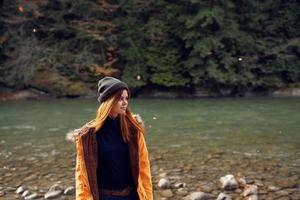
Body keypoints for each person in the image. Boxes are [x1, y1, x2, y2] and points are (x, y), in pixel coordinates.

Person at [74, 77, 153, 200]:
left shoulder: (133, 131)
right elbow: (82, 178)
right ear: (109, 100)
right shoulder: (88, 136)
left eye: (126, 98)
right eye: (120, 98)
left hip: (132, 196)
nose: (125, 102)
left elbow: (144, 171)